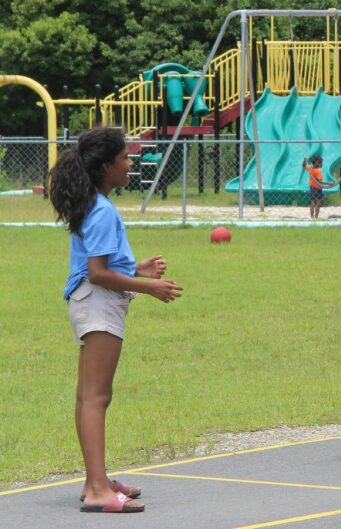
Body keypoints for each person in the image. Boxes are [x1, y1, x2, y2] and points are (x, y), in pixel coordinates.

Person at [48, 128, 183, 513]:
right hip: (98, 302)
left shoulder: (95, 203)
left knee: (86, 394)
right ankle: (96, 491)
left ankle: (97, 479)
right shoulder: (103, 209)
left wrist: (138, 267)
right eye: (124, 158)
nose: (130, 163)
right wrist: (147, 286)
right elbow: (98, 272)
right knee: (96, 396)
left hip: (89, 301)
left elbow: (102, 262)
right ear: (106, 166)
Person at [303, 154, 325, 219]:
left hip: (312, 188)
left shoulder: (310, 168)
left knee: (312, 202)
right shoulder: (318, 172)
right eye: (321, 163)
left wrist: (304, 161)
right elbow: (320, 182)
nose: (321, 164)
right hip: (318, 189)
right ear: (317, 163)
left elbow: (304, 165)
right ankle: (316, 217)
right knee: (318, 203)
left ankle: (312, 217)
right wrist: (329, 183)